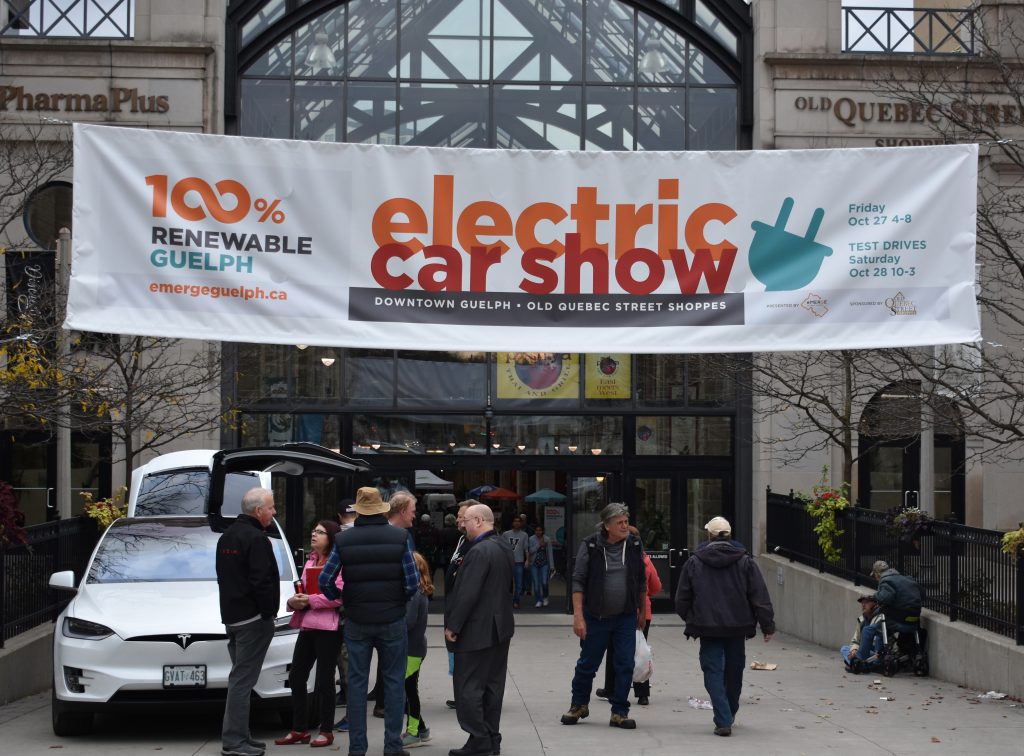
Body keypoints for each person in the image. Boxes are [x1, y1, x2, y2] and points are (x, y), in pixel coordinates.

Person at [318, 486, 419, 756]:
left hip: (357, 620)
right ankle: (392, 746)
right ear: (381, 508)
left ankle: (357, 748)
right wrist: (399, 600)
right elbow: (413, 582)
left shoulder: (343, 540)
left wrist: (342, 599)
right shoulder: (399, 537)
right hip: (392, 619)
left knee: (357, 683)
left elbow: (325, 580)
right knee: (394, 682)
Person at [674, 516, 775, 737]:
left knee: (712, 671)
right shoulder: (745, 561)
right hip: (737, 626)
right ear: (729, 535)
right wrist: (767, 625)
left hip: (707, 626)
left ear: (708, 535)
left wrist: (691, 617)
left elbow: (682, 598)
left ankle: (723, 717)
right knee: (734, 671)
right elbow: (759, 596)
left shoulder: (695, 561)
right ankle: (728, 712)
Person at [560, 503, 645, 730]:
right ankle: (578, 705)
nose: (625, 526)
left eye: (626, 521)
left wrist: (642, 612)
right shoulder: (590, 545)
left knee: (625, 664)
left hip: (625, 617)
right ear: (607, 526)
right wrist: (578, 616)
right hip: (596, 617)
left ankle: (619, 711)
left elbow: (641, 579)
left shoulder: (635, 544)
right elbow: (578, 581)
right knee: (587, 664)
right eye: (620, 523)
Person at [444, 504, 515, 756]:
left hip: (477, 630)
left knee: (468, 687)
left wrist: (454, 625)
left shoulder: (479, 551)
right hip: (500, 628)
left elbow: (467, 593)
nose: (462, 525)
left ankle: (480, 740)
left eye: (465, 521)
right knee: (492, 687)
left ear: (477, 520)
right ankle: (490, 738)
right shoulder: (503, 545)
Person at [216, 487, 280, 756]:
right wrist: (268, 613)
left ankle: (242, 735)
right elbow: (262, 582)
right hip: (253, 620)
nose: (274, 512)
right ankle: (234, 741)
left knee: (240, 679)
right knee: (242, 681)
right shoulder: (256, 539)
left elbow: (225, 577)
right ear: (258, 511)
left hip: (232, 618)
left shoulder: (227, 537)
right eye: (271, 507)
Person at [275, 519, 344, 748]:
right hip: (307, 625)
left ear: (331, 537)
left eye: (320, 532)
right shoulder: (310, 560)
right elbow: (302, 589)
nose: (314, 535)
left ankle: (326, 730)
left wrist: (310, 600)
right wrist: (293, 600)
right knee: (296, 676)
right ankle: (299, 729)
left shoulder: (339, 562)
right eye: (313, 531)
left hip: (328, 628)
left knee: (325, 681)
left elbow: (339, 596)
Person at [597, 526, 662, 706]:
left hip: (621, 612)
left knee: (614, 651)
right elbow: (656, 586)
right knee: (640, 652)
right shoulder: (646, 560)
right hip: (643, 613)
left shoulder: (619, 559)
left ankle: (611, 687)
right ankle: (642, 694)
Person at [443, 500, 474, 710]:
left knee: (465, 657)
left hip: (463, 613)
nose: (458, 520)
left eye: (462, 516)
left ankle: (466, 695)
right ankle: (460, 693)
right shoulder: (462, 539)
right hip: (452, 606)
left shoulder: (476, 544)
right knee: (455, 656)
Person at [402, 551, 434, 749]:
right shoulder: (418, 591)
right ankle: (421, 729)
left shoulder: (414, 593)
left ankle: (413, 733)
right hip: (414, 648)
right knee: (408, 689)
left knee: (408, 692)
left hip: (411, 649)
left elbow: (408, 622)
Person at [334, 498, 357, 712]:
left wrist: (332, 596)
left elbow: (327, 577)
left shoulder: (339, 539)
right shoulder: (364, 536)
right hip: (365, 606)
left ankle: (348, 695)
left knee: (345, 655)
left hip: (344, 605)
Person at [841, 593, 885, 673]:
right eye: (862, 603)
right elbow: (855, 640)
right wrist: (854, 650)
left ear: (875, 604)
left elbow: (876, 642)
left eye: (867, 602)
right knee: (844, 648)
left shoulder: (880, 618)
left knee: (852, 654)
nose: (863, 605)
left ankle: (856, 664)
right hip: (863, 651)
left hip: (875, 653)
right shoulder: (861, 620)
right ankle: (858, 663)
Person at [502, 516, 529, 608]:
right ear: (512, 523)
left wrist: (527, 560)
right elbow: (502, 547)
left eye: (519, 521)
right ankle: (507, 600)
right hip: (508, 561)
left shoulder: (524, 535)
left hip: (519, 562)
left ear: (521, 523)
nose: (517, 523)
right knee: (507, 583)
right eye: (515, 521)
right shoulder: (506, 534)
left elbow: (526, 549)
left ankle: (516, 601)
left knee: (519, 584)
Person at [527, 524, 555, 608]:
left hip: (544, 564)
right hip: (534, 564)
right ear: (534, 531)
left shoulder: (547, 539)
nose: (538, 532)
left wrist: (552, 566)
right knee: (536, 584)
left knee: (544, 582)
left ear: (543, 531)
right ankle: (538, 600)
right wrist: (539, 545)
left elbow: (550, 553)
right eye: (536, 530)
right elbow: (530, 551)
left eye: (540, 530)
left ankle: (545, 597)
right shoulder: (531, 539)